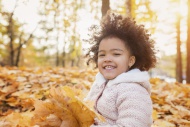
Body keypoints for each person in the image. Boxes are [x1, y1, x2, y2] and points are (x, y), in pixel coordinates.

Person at [85, 12, 157, 127]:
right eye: (102, 55)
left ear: (131, 61)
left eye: (116, 54)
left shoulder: (134, 92)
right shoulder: (99, 84)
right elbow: (86, 109)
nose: (107, 59)